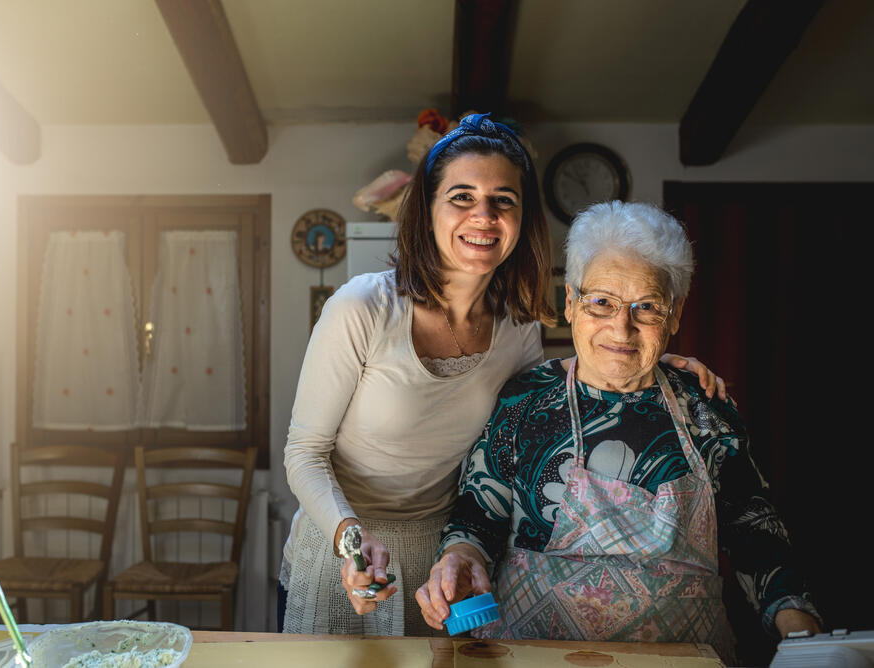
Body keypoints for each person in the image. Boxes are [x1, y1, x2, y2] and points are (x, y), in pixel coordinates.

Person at [280, 115, 726, 637]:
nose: (484, 216)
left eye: (503, 200)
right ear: (427, 210)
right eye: (462, 197)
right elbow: (304, 452)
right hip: (343, 542)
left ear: (522, 219)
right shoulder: (362, 307)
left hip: (442, 560)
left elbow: (539, 403)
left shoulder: (517, 328)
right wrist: (351, 539)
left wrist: (647, 355)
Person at [415, 201, 821, 662]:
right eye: (602, 302)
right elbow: (475, 519)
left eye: (646, 307)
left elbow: (753, 529)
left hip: (684, 661)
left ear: (676, 313)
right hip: (533, 656)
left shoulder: (705, 406)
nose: (621, 327)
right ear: (571, 302)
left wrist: (798, 627)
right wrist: (459, 560)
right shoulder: (523, 399)